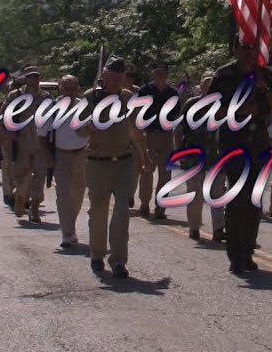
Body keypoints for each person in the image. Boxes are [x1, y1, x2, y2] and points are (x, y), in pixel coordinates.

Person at [208, 39, 272, 274]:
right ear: (235, 49)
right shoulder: (224, 75)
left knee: (255, 198)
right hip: (234, 141)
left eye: (252, 48)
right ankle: (236, 253)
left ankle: (248, 249)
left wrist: (264, 89)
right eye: (243, 47)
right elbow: (211, 109)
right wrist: (238, 110)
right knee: (238, 196)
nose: (248, 52)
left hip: (259, 140)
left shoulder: (267, 74)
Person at [77, 59, 153, 278]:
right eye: (113, 76)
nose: (117, 81)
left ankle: (118, 260)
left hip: (124, 161)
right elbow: (79, 130)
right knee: (98, 211)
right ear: (104, 76)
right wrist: (93, 122)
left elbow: (137, 130)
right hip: (97, 161)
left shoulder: (128, 98)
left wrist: (144, 154)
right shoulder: (90, 97)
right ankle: (97, 253)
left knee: (122, 212)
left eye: (121, 77)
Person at [39, 74, 88, 250]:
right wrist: (47, 156)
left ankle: (70, 225)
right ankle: (67, 233)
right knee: (63, 195)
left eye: (73, 88)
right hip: (60, 155)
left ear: (78, 89)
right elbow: (42, 135)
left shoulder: (85, 106)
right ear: (60, 89)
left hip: (82, 154)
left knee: (78, 193)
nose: (70, 91)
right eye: (66, 88)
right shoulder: (51, 108)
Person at [174, 71, 224, 241]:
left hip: (216, 157)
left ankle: (218, 229)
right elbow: (179, 130)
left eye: (213, 82)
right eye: (206, 82)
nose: (209, 86)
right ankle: (194, 227)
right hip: (194, 157)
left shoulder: (222, 105)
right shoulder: (191, 104)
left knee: (217, 195)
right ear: (201, 85)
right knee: (195, 195)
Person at [136, 63, 182, 219]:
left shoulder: (172, 92)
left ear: (167, 75)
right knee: (147, 170)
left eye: (163, 73)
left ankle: (160, 206)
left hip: (166, 135)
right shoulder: (145, 91)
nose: (160, 76)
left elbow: (177, 112)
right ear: (152, 74)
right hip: (149, 134)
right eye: (157, 73)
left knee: (165, 173)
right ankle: (144, 202)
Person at [8, 68, 52, 222]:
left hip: (41, 141)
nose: (34, 80)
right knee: (22, 175)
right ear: (25, 79)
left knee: (40, 175)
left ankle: (34, 208)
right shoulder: (16, 96)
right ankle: (20, 198)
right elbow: (6, 116)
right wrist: (11, 133)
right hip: (22, 140)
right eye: (30, 77)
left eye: (36, 77)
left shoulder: (46, 97)